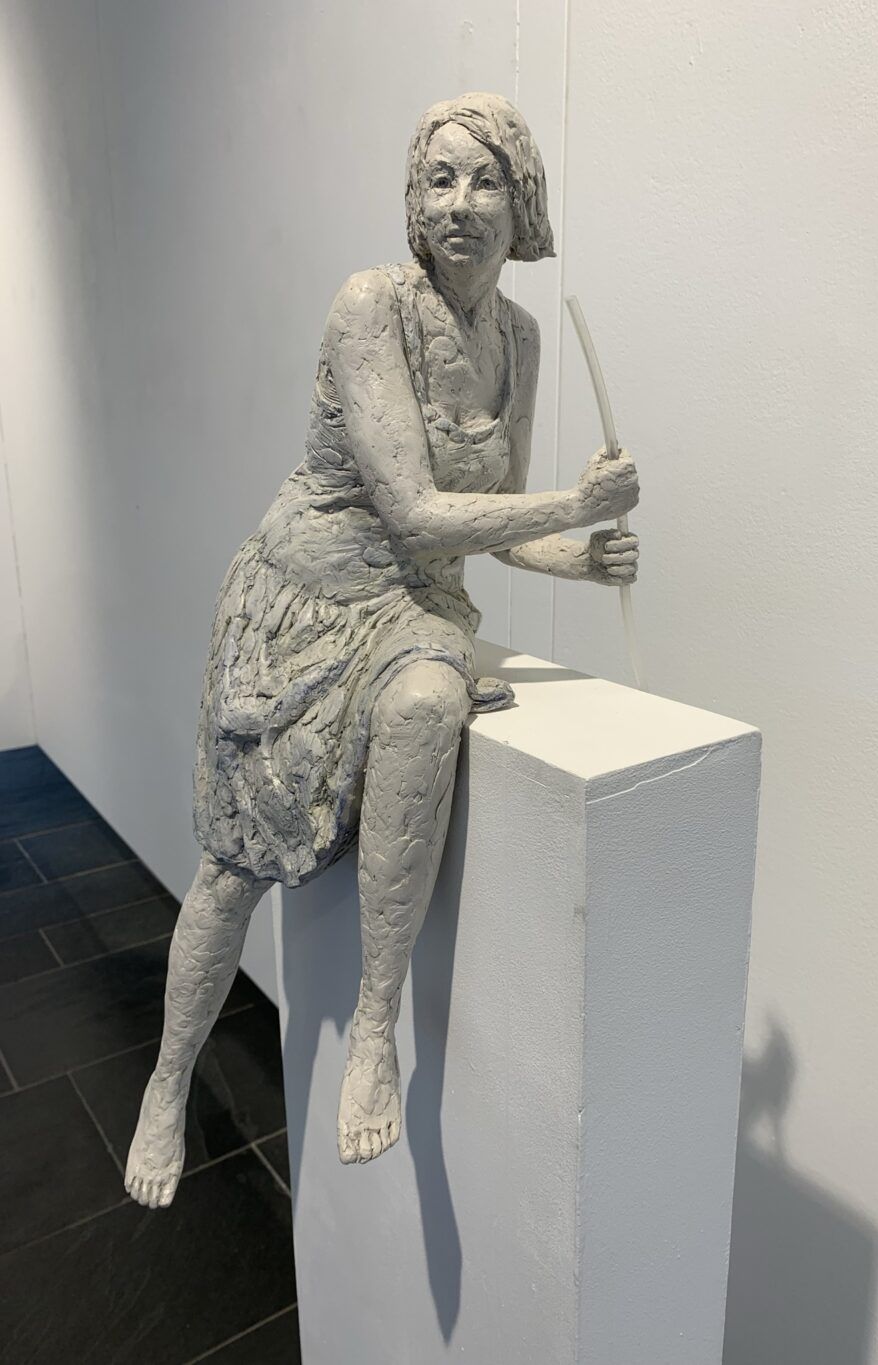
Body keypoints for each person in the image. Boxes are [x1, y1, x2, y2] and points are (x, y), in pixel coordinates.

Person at [125, 92, 639, 1208]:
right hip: (308, 598)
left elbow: (490, 525)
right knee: (230, 864)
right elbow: (410, 506)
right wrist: (575, 501)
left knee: (426, 708)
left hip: (416, 604)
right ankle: (168, 1079)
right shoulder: (370, 308)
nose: (460, 203)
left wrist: (580, 554)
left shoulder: (520, 339)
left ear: (522, 202)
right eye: (438, 179)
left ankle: (374, 1027)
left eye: (484, 180)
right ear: (413, 200)